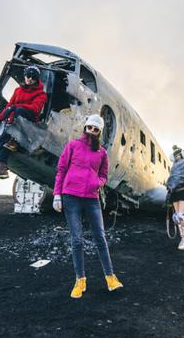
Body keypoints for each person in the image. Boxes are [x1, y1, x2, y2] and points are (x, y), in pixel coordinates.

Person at [52, 114, 124, 298]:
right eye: (89, 127)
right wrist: (57, 195)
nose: (91, 131)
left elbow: (104, 174)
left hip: (92, 198)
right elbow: (61, 170)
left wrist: (98, 183)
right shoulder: (73, 145)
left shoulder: (102, 153)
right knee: (77, 240)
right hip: (71, 197)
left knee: (100, 237)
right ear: (85, 127)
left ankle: (110, 277)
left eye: (96, 129)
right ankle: (80, 281)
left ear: (100, 131)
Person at [0, 65, 47, 179]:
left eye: (33, 77)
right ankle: (0, 169)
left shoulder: (41, 94)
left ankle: (15, 139)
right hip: (13, 122)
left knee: (19, 110)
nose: (30, 79)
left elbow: (35, 108)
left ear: (37, 79)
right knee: (3, 140)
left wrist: (14, 107)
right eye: (28, 76)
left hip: (30, 121)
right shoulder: (18, 90)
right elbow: (9, 106)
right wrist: (0, 118)